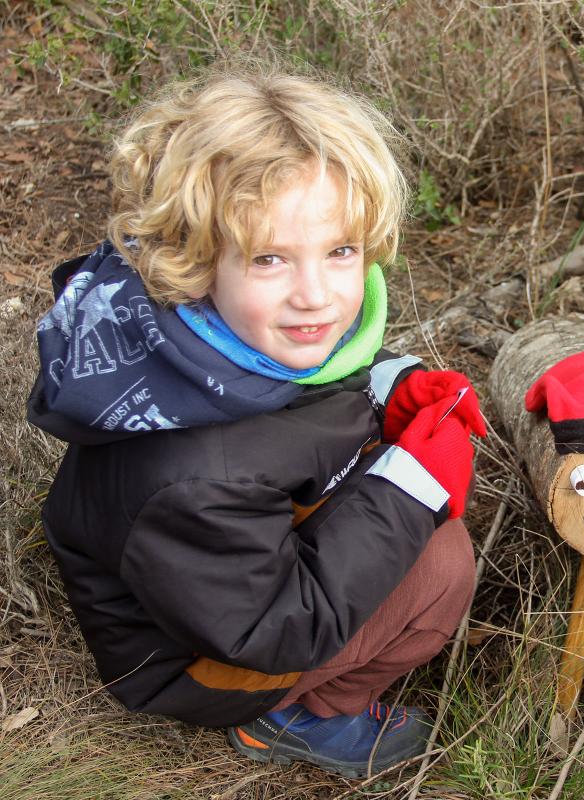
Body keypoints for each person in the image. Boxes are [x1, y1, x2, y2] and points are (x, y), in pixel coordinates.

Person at [27, 63, 486, 779]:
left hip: (208, 566)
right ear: (199, 261)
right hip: (192, 655)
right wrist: (413, 484)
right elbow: (276, 628)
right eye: (270, 258)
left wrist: (395, 383)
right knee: (440, 566)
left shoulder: (215, 337)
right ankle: (298, 717)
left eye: (340, 251)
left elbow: (310, 391)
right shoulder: (193, 473)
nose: (316, 298)